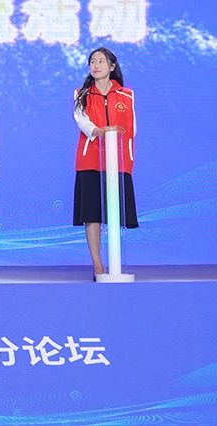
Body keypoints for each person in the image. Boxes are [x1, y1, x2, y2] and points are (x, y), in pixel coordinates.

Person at [73, 47, 138, 277]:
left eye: (101, 61)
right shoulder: (81, 94)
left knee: (115, 213)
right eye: (93, 61)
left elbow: (131, 129)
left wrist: (126, 153)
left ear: (112, 66)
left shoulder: (127, 95)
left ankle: (116, 263)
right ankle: (98, 265)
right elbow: (82, 121)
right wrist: (98, 131)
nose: (96, 65)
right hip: (90, 161)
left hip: (117, 162)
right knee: (91, 215)